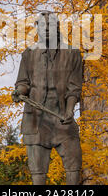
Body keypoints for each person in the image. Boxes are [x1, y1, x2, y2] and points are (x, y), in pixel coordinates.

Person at [12, 11, 83, 185]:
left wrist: (69, 111)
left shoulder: (73, 54)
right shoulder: (28, 55)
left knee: (74, 164)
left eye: (50, 25)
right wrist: (19, 91)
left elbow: (74, 87)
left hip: (62, 118)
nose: (46, 29)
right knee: (38, 171)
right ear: (37, 29)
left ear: (57, 28)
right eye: (42, 26)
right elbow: (23, 82)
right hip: (35, 119)